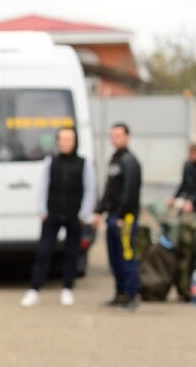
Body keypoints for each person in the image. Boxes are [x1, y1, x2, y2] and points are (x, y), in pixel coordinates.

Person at [21, 127, 95, 307]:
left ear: (75, 141)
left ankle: (67, 289)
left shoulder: (84, 163)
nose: (65, 143)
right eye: (62, 139)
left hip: (74, 215)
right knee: (44, 252)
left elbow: (90, 189)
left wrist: (84, 213)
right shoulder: (50, 161)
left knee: (71, 253)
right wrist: (41, 210)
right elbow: (43, 187)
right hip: (52, 214)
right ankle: (34, 289)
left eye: (68, 139)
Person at [93, 122, 142, 309]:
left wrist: (122, 215)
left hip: (126, 218)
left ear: (127, 137)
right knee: (114, 257)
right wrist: (99, 211)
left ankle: (132, 294)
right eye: (112, 136)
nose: (115, 139)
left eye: (119, 135)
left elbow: (130, 191)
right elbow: (109, 190)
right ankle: (120, 293)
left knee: (127, 255)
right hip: (112, 216)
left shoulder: (130, 161)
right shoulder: (114, 159)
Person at [169, 143, 196, 216]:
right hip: (186, 201)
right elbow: (184, 183)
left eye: (194, 154)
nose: (191, 157)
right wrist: (174, 197)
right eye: (190, 154)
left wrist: (192, 201)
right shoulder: (187, 165)